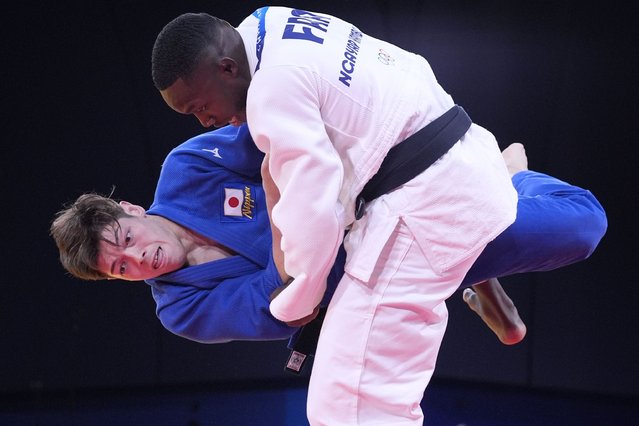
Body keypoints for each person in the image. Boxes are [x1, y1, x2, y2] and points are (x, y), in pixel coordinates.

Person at [149, 8, 605, 424]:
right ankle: (498, 202)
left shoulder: (247, 115)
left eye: (199, 107)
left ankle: (510, 185)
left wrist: (300, 280)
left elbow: (310, 202)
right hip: (428, 167)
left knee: (349, 405)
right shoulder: (267, 25)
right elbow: (276, 304)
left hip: (417, 207)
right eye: (118, 271)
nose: (204, 121)